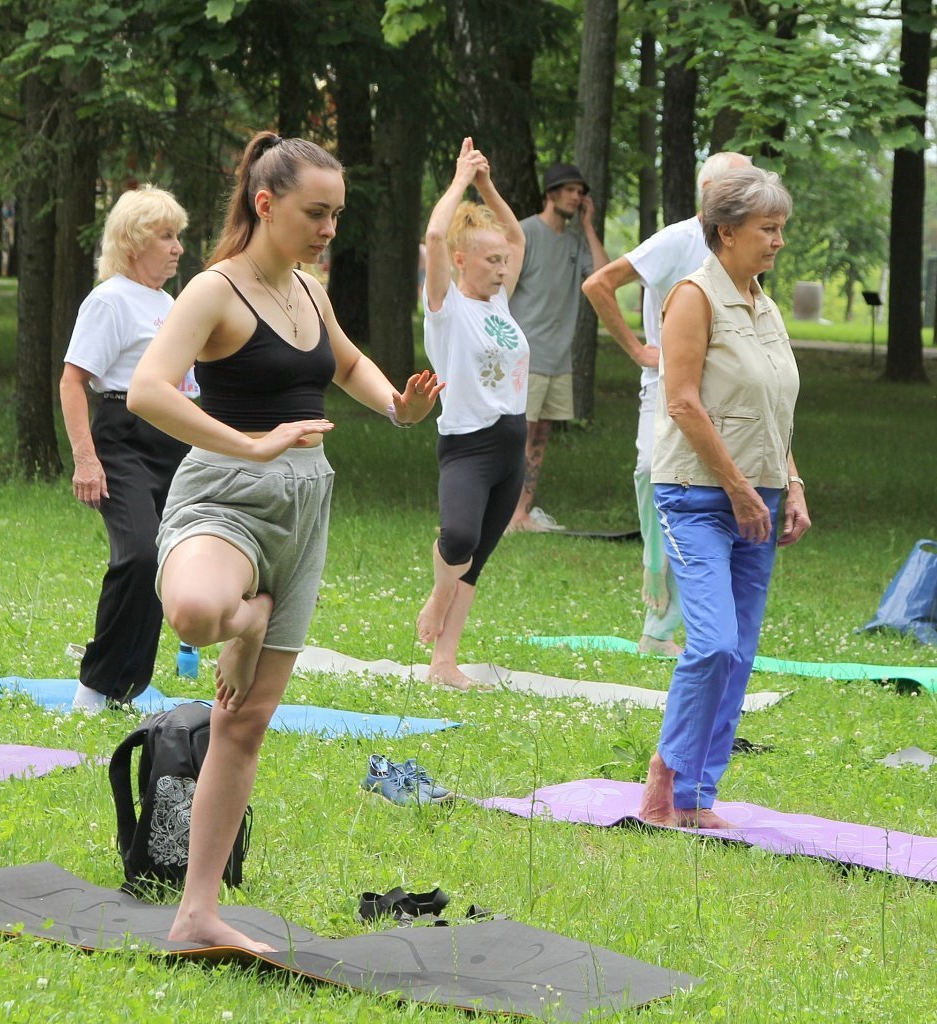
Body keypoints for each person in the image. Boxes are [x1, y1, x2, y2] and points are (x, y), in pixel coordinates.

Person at [128, 131, 442, 949]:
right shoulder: (213, 290)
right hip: (226, 494)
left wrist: (398, 407)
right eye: (316, 212)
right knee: (197, 614)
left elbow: (344, 364)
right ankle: (248, 615)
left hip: (305, 505)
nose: (329, 228)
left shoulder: (308, 291)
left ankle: (197, 914)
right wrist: (251, 443)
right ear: (265, 204)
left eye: (337, 214)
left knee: (246, 722)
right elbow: (148, 391)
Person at [637, 166, 810, 828]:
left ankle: (699, 797)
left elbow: (772, 409)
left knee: (738, 652)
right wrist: (739, 490)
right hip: (697, 495)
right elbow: (682, 401)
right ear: (726, 231)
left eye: (781, 229)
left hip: (759, 496)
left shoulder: (763, 305)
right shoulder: (694, 297)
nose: (778, 242)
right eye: (768, 230)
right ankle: (665, 779)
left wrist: (789, 484)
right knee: (711, 641)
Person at [580, 151, 753, 656]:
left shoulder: (739, 245)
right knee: (653, 473)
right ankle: (658, 604)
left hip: (722, 393)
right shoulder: (679, 239)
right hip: (667, 388)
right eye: (740, 191)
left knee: (707, 497)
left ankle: (671, 628)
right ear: (710, 193)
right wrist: (638, 349)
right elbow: (599, 284)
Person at [58, 185, 193, 713]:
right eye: (166, 236)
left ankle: (126, 690)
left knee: (162, 564)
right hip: (123, 437)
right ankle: (93, 689)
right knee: (137, 554)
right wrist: (86, 458)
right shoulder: (110, 298)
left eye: (178, 235)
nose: (178, 247)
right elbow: (73, 381)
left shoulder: (170, 304)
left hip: (172, 440)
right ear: (134, 242)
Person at [413, 138, 530, 688]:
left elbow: (518, 235)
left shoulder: (500, 302)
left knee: (476, 559)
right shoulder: (446, 307)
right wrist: (460, 179)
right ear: (462, 260)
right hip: (469, 442)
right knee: (458, 537)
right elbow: (435, 234)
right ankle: (437, 599)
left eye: (504, 260)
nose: (504, 265)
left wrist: (487, 186)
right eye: (491, 259)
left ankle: (444, 661)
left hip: (513, 443)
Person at [505, 162, 608, 532]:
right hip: (523, 356)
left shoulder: (577, 241)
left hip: (557, 358)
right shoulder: (524, 233)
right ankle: (503, 511)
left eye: (580, 192)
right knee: (519, 433)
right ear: (550, 194)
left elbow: (602, 276)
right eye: (569, 190)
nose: (576, 196)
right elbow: (502, 289)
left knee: (541, 435)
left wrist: (588, 227)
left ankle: (522, 512)